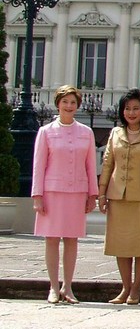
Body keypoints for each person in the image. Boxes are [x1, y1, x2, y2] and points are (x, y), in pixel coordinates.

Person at [31, 85, 98, 304]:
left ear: (77, 106)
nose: (68, 106)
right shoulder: (46, 131)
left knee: (71, 240)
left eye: (72, 103)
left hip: (77, 191)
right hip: (52, 191)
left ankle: (68, 287)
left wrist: (92, 194)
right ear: (58, 104)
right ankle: (52, 286)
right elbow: (39, 165)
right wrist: (37, 195)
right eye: (65, 102)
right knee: (51, 239)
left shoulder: (86, 133)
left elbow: (91, 165)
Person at [98, 89, 140, 305]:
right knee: (121, 245)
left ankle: (136, 288)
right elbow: (107, 164)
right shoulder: (115, 133)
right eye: (127, 108)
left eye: (136, 108)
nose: (131, 112)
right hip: (118, 196)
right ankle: (125, 288)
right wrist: (101, 192)